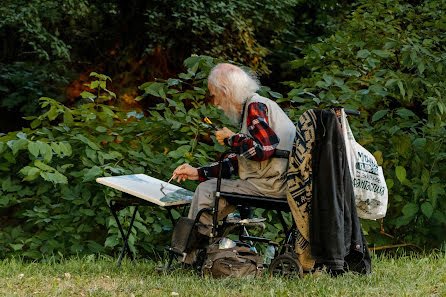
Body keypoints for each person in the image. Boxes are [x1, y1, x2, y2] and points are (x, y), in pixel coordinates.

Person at [172, 63, 296, 237]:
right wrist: (198, 172)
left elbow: (264, 149)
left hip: (271, 186)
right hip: (276, 183)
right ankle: (210, 250)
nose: (215, 103)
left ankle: (191, 254)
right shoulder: (257, 105)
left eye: (215, 96)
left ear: (227, 92)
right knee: (212, 188)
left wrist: (232, 139)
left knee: (206, 190)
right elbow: (242, 161)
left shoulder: (254, 107)